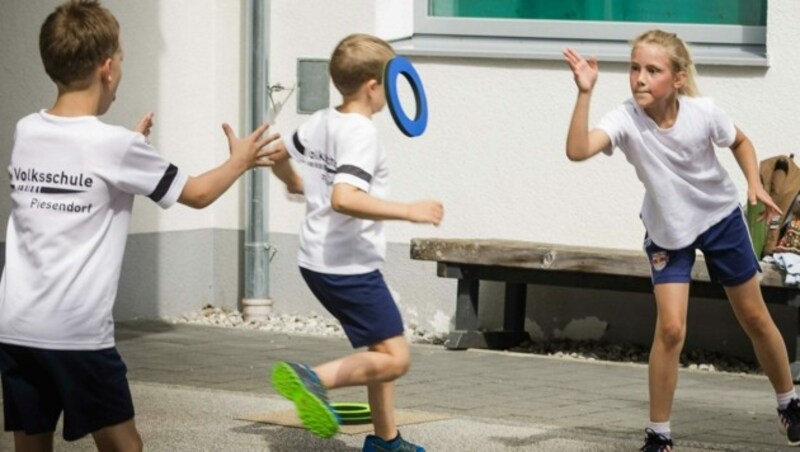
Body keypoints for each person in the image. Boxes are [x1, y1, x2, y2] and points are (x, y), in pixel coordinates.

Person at [0, 1, 280, 451]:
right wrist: (240, 160)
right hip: (77, 335)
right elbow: (198, 193)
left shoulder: (27, 130)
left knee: (30, 445)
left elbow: (81, 170)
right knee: (125, 447)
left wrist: (132, 151)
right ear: (107, 68)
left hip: (16, 326)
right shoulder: (116, 146)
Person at [564, 29, 800, 451]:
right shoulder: (624, 119)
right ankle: (659, 434)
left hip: (719, 218)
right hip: (669, 231)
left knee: (755, 317)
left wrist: (753, 184)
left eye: (652, 70)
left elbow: (741, 141)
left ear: (677, 79)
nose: (639, 78)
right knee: (671, 329)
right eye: (635, 68)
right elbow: (578, 150)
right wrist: (584, 93)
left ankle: (789, 403)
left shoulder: (702, 112)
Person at [269, 33, 443, 452]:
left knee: (379, 348)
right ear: (373, 86)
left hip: (316, 259)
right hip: (349, 267)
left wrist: (296, 183)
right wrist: (409, 210)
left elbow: (279, 152)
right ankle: (315, 380)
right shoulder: (361, 133)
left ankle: (386, 441)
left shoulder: (322, 120)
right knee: (397, 358)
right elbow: (344, 198)